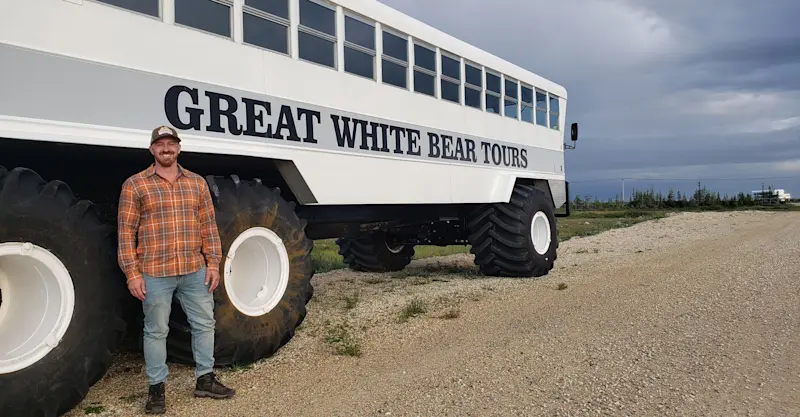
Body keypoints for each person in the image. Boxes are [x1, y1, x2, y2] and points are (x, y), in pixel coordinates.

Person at [117, 125, 235, 414]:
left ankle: (205, 379)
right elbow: (125, 233)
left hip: (194, 270)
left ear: (179, 148)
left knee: (204, 324)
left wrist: (213, 264)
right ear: (152, 149)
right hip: (155, 273)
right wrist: (132, 273)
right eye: (160, 144)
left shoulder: (196, 183)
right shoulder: (135, 185)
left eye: (171, 144)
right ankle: (156, 389)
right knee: (156, 331)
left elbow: (208, 227)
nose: (166, 149)